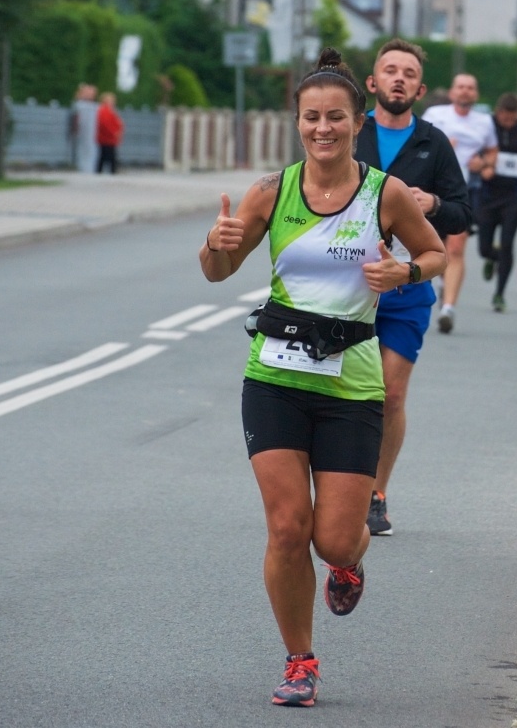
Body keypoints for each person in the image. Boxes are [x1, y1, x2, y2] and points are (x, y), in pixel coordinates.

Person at [199, 49, 447, 707]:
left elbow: (434, 251)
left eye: (336, 116)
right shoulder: (271, 191)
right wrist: (215, 245)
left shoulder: (383, 192)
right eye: (311, 118)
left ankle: (350, 558)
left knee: (333, 536)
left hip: (352, 385)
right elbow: (217, 273)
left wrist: (407, 274)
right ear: (298, 121)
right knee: (286, 527)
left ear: (358, 119)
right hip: (274, 377)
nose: (323, 128)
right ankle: (300, 658)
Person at [353, 38, 472, 538]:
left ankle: (376, 494)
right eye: (389, 70)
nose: (398, 78)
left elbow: (466, 213)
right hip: (349, 286)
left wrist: (434, 204)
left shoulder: (433, 143)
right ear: (372, 83)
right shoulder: (349, 133)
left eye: (408, 73)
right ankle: (342, 486)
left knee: (391, 395)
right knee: (344, 394)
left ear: (420, 89)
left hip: (407, 289)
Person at [423, 74, 497, 334]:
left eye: (470, 88)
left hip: (461, 191)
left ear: (475, 94)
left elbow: (491, 153)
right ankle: (440, 283)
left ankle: (448, 309)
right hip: (429, 190)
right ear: (452, 92)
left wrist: (484, 165)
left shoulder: (485, 122)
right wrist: (441, 148)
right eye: (461, 87)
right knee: (430, 246)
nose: (465, 92)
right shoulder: (435, 113)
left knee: (456, 247)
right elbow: (418, 144)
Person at [477, 93, 517, 311]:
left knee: (507, 245)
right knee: (484, 248)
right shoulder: (487, 127)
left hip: (514, 197)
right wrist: (484, 167)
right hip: (488, 196)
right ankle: (491, 258)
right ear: (498, 112)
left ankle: (499, 293)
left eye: (513, 119)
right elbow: (475, 153)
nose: (509, 123)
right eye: (505, 118)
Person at [95, 91, 123, 174]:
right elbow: (105, 123)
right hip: (107, 138)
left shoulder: (109, 110)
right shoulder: (104, 110)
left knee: (104, 156)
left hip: (109, 138)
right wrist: (114, 132)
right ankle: (110, 171)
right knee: (109, 156)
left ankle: (101, 171)